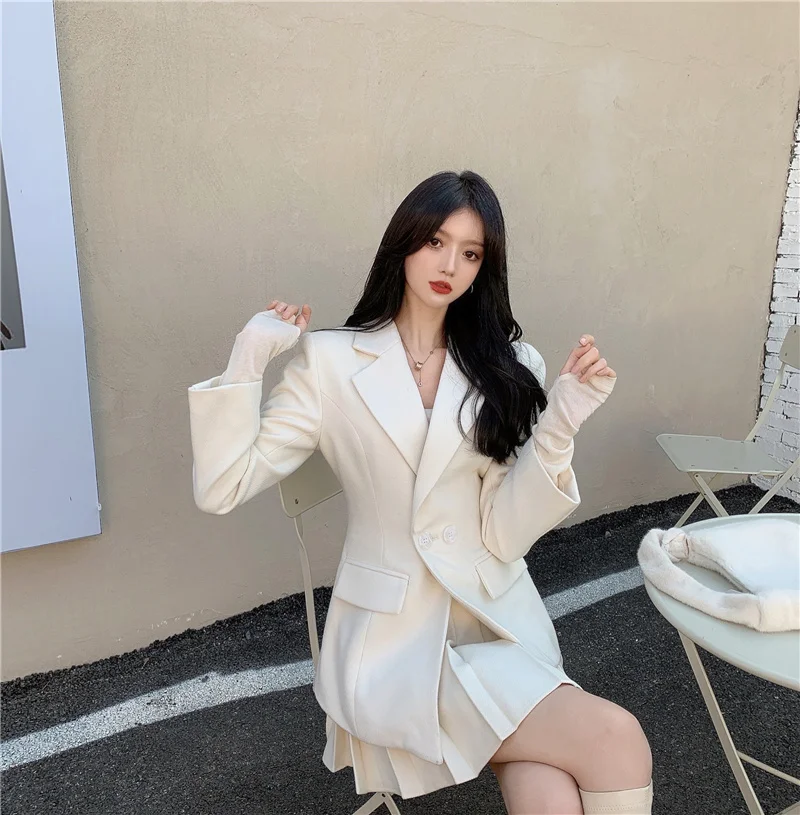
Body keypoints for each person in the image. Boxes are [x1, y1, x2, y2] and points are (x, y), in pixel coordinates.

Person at [187, 170, 653, 814]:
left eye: (471, 252)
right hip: (392, 647)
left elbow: (504, 535)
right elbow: (222, 486)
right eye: (436, 242)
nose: (449, 266)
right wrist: (248, 358)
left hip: (496, 624)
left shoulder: (510, 366)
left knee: (549, 785)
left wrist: (560, 424)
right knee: (613, 737)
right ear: (404, 242)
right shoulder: (330, 363)